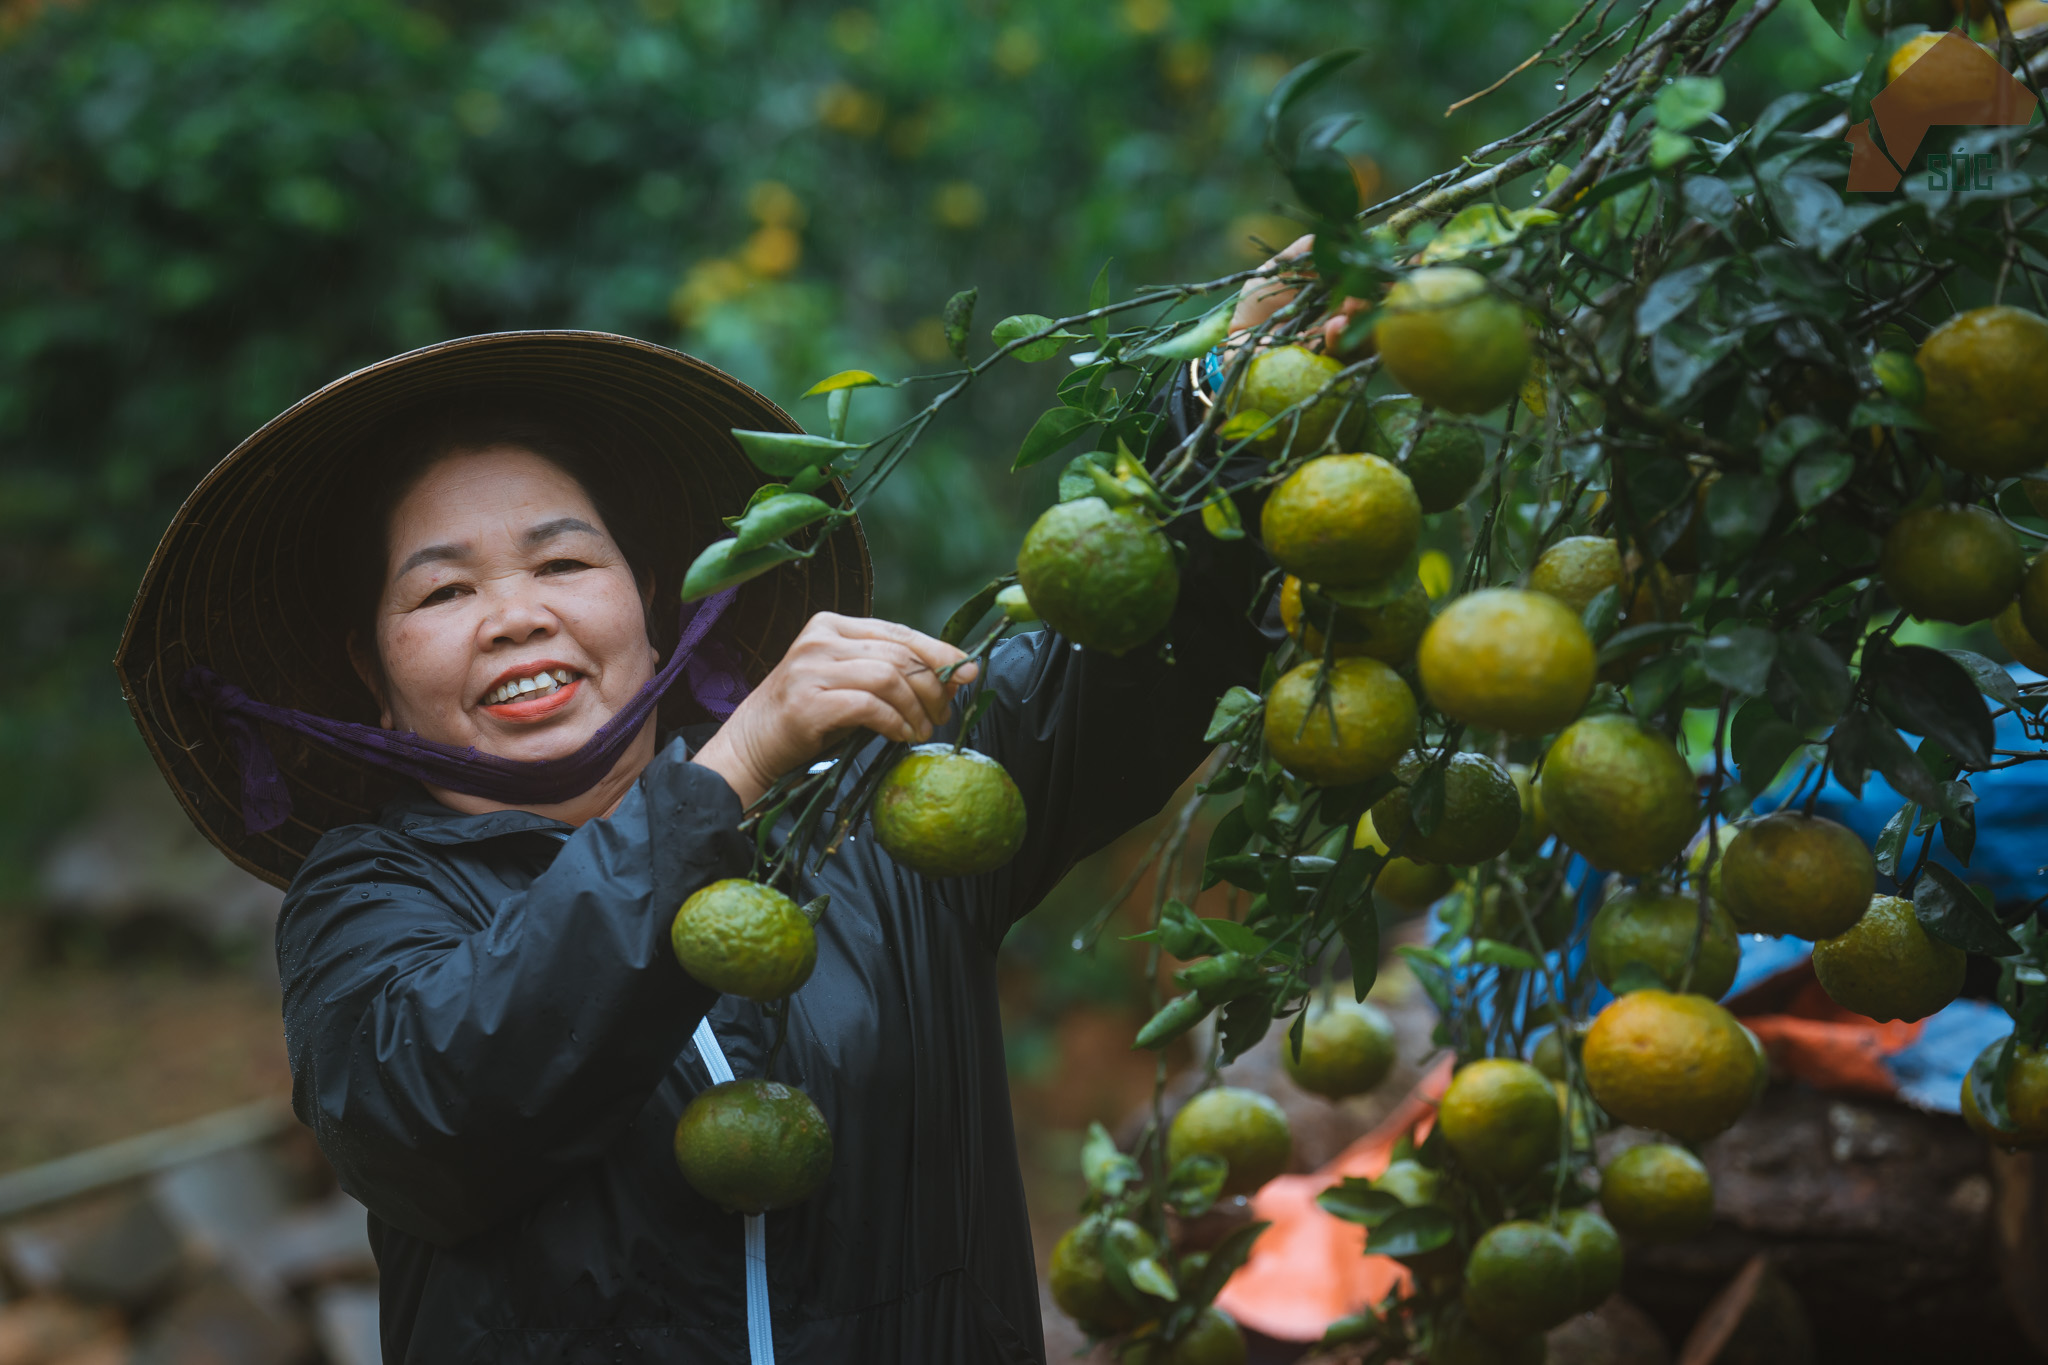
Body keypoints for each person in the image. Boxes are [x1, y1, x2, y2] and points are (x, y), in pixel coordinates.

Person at [116, 323, 1274, 1362]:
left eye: (562, 562)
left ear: (651, 602)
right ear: (372, 676)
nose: (516, 612)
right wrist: (724, 778)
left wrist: (1227, 397)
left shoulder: (867, 821)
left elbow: (1127, 656)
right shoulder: (368, 902)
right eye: (441, 592)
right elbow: (434, 1115)